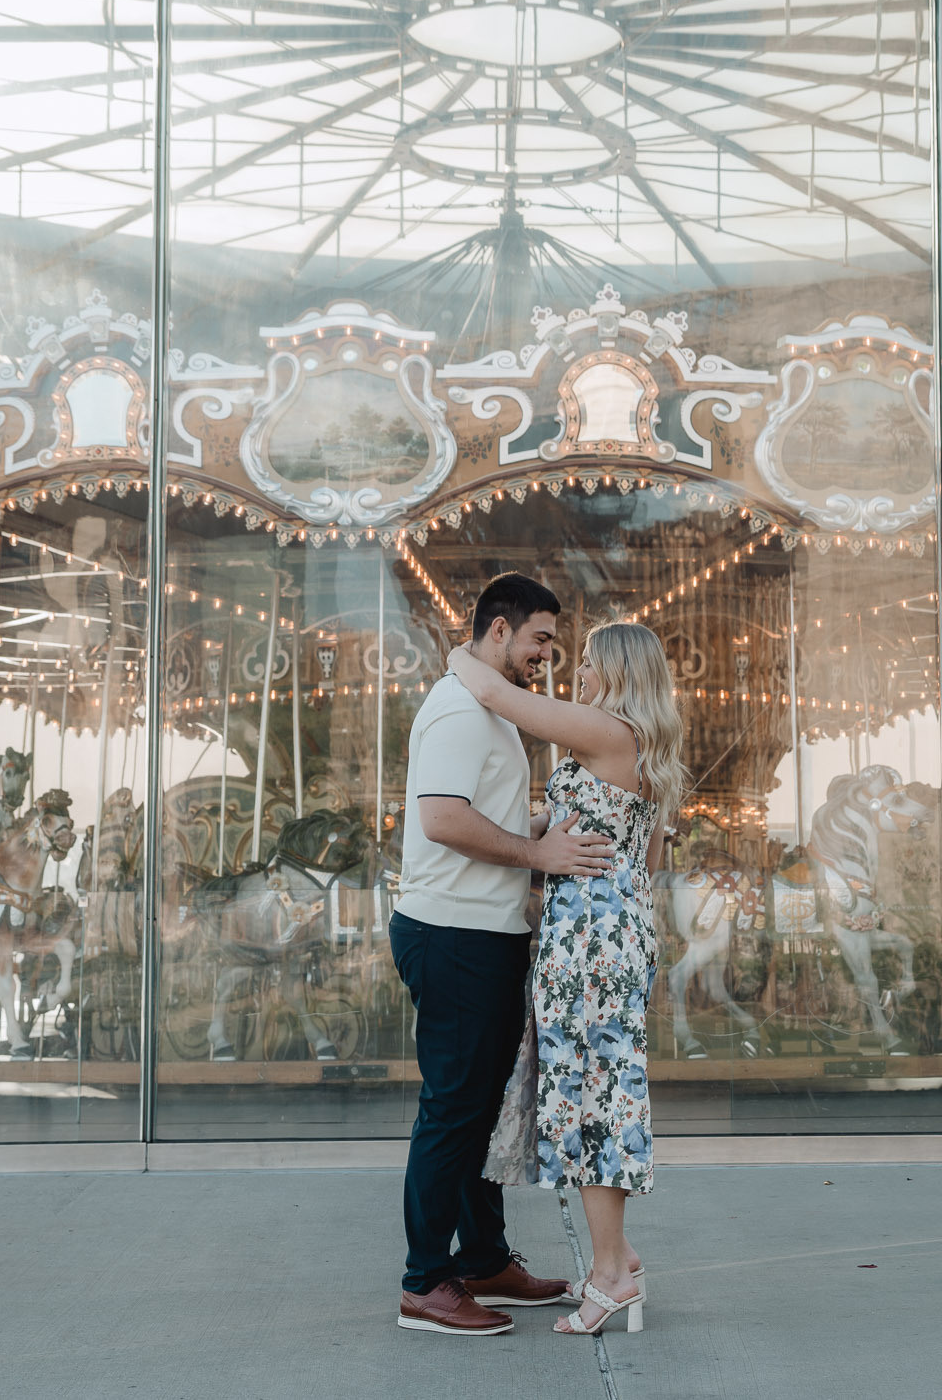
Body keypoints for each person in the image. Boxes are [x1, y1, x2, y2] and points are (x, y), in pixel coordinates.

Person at [392, 572, 617, 1337]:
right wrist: (538, 852)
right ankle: (425, 1282)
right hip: (453, 934)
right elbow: (444, 820)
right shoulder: (457, 709)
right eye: (540, 640)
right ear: (497, 632)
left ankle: (483, 1257)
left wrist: (554, 824)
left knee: (483, 1110)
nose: (547, 656)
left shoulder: (485, 708)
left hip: (484, 933)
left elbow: (478, 809)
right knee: (454, 1109)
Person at [449, 619, 687, 1338]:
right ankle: (619, 1260)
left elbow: (492, 689)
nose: (575, 673)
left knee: (590, 1102)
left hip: (587, 943)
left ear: (615, 671)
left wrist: (464, 646)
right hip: (615, 934)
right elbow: (646, 863)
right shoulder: (642, 749)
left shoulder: (604, 731)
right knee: (604, 1094)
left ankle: (610, 1273)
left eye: (585, 663)